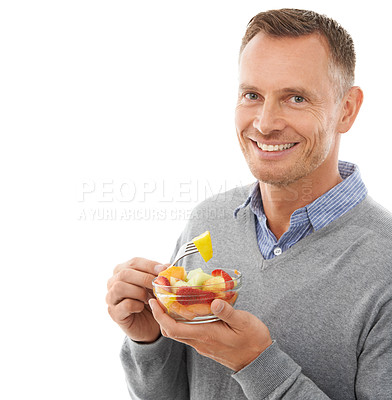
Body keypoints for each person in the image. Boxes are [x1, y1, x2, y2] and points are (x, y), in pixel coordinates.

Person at [106, 8, 392, 399]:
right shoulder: (208, 221)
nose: (264, 122)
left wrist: (257, 363)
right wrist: (150, 342)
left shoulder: (386, 263)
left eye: (295, 97)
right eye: (252, 95)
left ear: (347, 109)